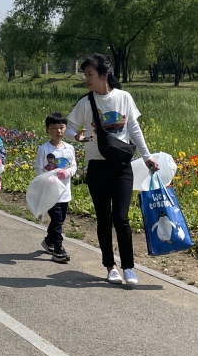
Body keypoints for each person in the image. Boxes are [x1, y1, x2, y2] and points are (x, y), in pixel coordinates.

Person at [65, 53, 158, 286]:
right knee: (104, 218)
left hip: (122, 166)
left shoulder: (124, 97)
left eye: (90, 74)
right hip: (96, 166)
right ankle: (110, 266)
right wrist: (77, 136)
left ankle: (129, 267)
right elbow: (68, 128)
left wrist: (147, 157)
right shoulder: (86, 103)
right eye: (85, 74)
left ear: (104, 75)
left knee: (121, 217)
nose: (86, 78)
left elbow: (134, 128)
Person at [35, 112, 77, 264]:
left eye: (61, 128)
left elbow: (73, 167)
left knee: (60, 219)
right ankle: (58, 249)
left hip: (65, 192)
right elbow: (39, 169)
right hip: (50, 192)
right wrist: (48, 179)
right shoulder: (44, 149)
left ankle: (48, 241)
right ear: (47, 130)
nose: (58, 131)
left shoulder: (69, 148)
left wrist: (67, 172)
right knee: (57, 219)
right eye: (54, 128)